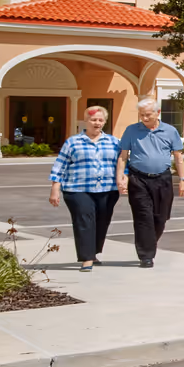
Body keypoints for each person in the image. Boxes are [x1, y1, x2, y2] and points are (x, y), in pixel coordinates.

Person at [117, 97, 184, 268]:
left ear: (158, 113)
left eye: (148, 115)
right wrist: (120, 176)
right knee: (143, 217)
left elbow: (178, 157)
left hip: (163, 179)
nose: (144, 118)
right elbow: (123, 156)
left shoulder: (170, 131)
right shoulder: (131, 130)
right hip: (138, 179)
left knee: (160, 217)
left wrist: (183, 180)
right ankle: (146, 255)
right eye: (141, 115)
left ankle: (148, 242)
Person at [48, 103, 119, 270]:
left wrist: (124, 179)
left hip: (108, 189)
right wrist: (55, 189)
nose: (97, 123)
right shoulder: (73, 142)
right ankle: (86, 258)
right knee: (84, 221)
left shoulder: (114, 142)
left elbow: (122, 164)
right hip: (77, 189)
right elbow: (60, 166)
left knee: (102, 222)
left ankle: (93, 252)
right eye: (93, 119)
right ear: (86, 121)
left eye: (100, 120)